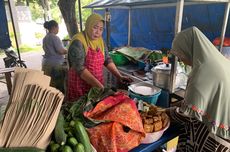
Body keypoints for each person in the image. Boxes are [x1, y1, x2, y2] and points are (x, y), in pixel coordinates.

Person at [168, 26, 230, 151]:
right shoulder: (217, 60)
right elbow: (197, 103)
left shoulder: (203, 71)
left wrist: (165, 113)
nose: (180, 59)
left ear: (188, 49)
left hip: (215, 137)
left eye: (180, 54)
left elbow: (187, 115)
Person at [67, 13, 132, 101]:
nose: (98, 32)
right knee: (79, 110)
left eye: (101, 29)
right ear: (88, 25)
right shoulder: (78, 42)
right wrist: (100, 87)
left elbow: (107, 59)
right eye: (95, 27)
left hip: (96, 84)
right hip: (79, 85)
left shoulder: (100, 41)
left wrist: (119, 76)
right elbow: (80, 68)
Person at [42, 20, 67, 93]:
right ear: (54, 27)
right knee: (58, 85)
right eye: (58, 27)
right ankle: (59, 101)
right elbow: (60, 51)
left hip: (46, 63)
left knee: (50, 84)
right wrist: (69, 51)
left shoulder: (45, 38)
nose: (58, 29)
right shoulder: (54, 37)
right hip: (55, 65)